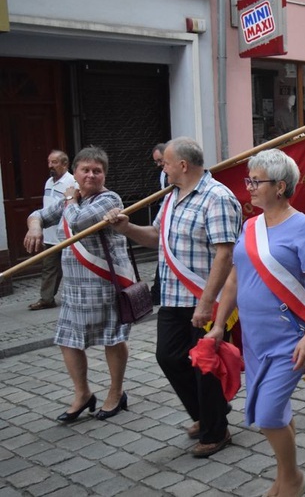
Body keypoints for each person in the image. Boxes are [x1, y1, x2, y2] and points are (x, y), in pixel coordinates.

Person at [205, 149, 305, 497]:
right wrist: (219, 324)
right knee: (277, 409)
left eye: (255, 181)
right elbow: (234, 279)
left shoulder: (304, 227)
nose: (248, 186)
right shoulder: (250, 225)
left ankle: (292, 478)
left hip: (290, 337)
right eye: (249, 180)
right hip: (255, 339)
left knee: (267, 414)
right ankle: (283, 475)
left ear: (280, 186)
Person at [105, 137, 241, 457]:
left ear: (182, 165)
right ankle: (209, 412)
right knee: (168, 357)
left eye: (164, 162)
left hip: (205, 299)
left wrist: (207, 302)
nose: (161, 167)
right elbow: (156, 238)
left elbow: (226, 254)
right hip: (172, 296)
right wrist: (127, 228)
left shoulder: (217, 197)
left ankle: (215, 430)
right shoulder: (171, 196)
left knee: (205, 366)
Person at [24, 146, 132, 422]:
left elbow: (80, 223)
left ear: (104, 175)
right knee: (68, 341)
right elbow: (37, 213)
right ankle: (83, 393)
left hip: (105, 285)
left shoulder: (109, 200)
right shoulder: (70, 199)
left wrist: (70, 201)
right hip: (73, 288)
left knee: (113, 338)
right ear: (75, 172)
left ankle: (116, 392)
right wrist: (35, 226)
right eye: (85, 169)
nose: (91, 175)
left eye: (97, 171)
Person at [28, 150, 77, 311]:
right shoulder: (49, 182)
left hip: (66, 235)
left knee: (72, 268)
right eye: (49, 162)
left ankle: (75, 297)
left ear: (65, 164)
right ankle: (47, 299)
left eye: (54, 162)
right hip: (50, 235)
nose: (50, 166)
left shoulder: (72, 182)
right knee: (49, 267)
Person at [151, 143, 167, 305]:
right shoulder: (164, 174)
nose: (159, 165)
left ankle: (157, 291)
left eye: (160, 160)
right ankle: (157, 292)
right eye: (156, 162)